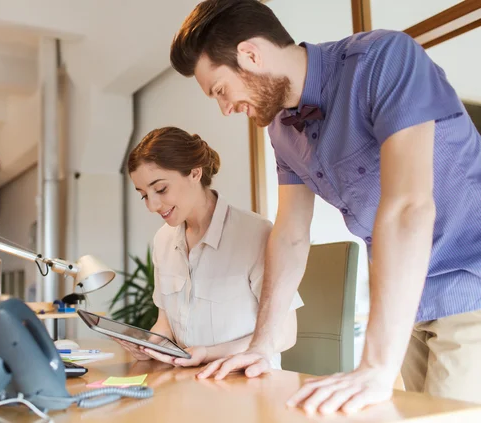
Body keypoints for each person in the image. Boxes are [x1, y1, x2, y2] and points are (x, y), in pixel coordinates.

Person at [168, 0, 481, 415]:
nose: (226, 109)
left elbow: (408, 206)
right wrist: (261, 345)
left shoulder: (383, 60)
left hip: (470, 282)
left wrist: (374, 365)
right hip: (410, 304)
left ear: (251, 55)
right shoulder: (282, 130)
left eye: (221, 90)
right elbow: (290, 234)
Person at [116, 126, 303, 370]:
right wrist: (150, 345)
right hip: (186, 381)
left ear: (194, 173)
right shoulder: (163, 240)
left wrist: (208, 353)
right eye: (144, 195)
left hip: (245, 383)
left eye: (161, 189)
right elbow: (166, 323)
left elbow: (286, 333)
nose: (152, 205)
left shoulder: (255, 234)